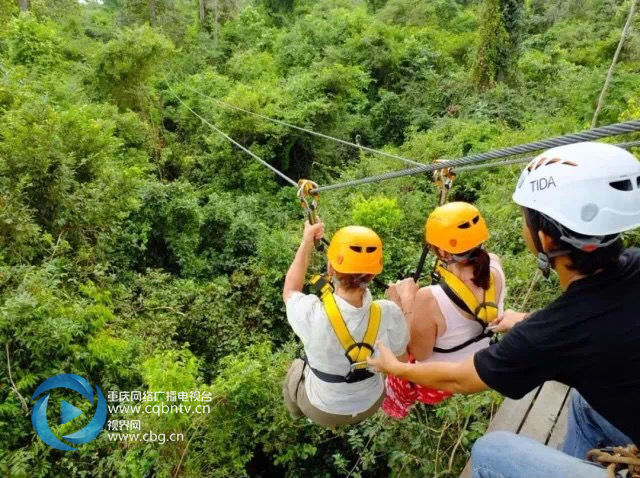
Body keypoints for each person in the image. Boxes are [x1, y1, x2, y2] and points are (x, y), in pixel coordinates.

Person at [367, 142, 640, 477]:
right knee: (585, 405)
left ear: (546, 241)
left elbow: (459, 379)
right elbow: (593, 324)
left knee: (491, 450)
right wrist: (523, 320)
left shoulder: (551, 333)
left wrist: (394, 366)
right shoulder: (631, 266)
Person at [382, 202, 506, 418]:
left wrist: (403, 302)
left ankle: (394, 407)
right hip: (478, 362)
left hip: (440, 380)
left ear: (441, 251)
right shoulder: (494, 266)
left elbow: (418, 353)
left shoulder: (430, 298)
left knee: (394, 352)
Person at [282, 221, 409, 427]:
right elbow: (402, 359)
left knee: (296, 368)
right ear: (374, 273)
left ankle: (296, 413)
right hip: (371, 403)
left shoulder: (312, 313)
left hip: (322, 409)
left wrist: (307, 242)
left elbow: (290, 291)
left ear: (330, 268)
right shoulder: (388, 312)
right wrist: (399, 305)